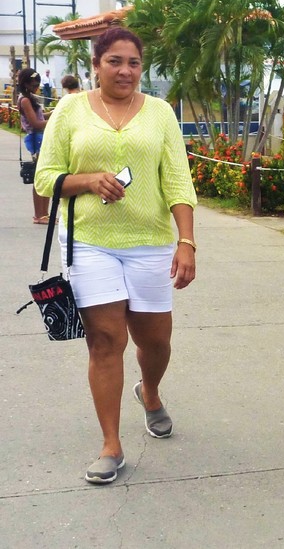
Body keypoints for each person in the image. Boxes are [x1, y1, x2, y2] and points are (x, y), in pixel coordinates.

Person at [34, 27, 198, 485]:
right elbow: (45, 179)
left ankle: (150, 392)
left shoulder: (161, 113)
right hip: (89, 241)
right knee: (105, 341)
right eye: (115, 62)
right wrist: (88, 180)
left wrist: (186, 241)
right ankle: (111, 444)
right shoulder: (70, 109)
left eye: (133, 63)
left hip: (150, 241)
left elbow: (178, 184)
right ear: (96, 64)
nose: (125, 71)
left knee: (155, 341)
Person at [16, 68, 51, 224]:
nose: (37, 86)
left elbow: (40, 117)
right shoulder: (24, 100)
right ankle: (40, 215)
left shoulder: (29, 98)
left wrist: (57, 112)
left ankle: (45, 213)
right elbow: (36, 124)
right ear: (26, 84)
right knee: (40, 177)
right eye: (34, 83)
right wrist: (55, 122)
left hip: (40, 137)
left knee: (45, 175)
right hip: (37, 138)